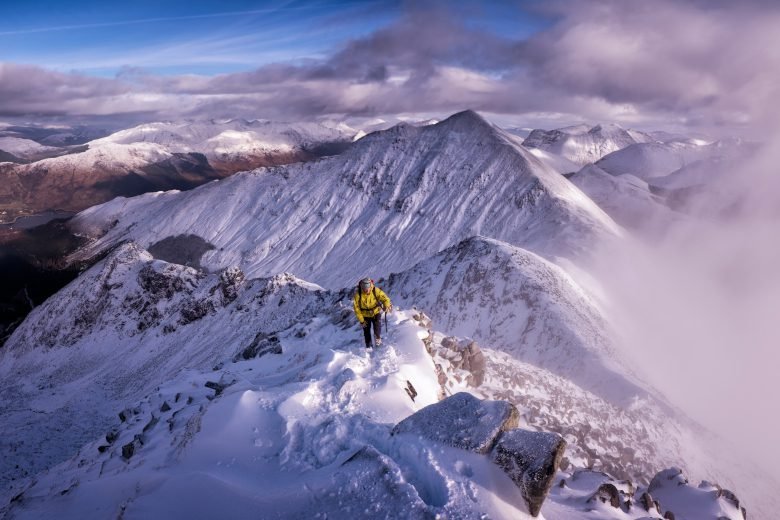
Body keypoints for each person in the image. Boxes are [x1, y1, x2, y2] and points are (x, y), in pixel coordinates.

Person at [353, 277, 392, 349]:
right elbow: (357, 309)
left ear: (370, 286)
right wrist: (361, 321)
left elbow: (385, 298)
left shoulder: (375, 290)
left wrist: (386, 305)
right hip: (365, 316)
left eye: (367, 289)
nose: (366, 291)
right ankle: (368, 346)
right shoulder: (358, 295)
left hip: (376, 312)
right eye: (364, 289)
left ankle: (378, 340)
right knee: (366, 331)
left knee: (377, 328)